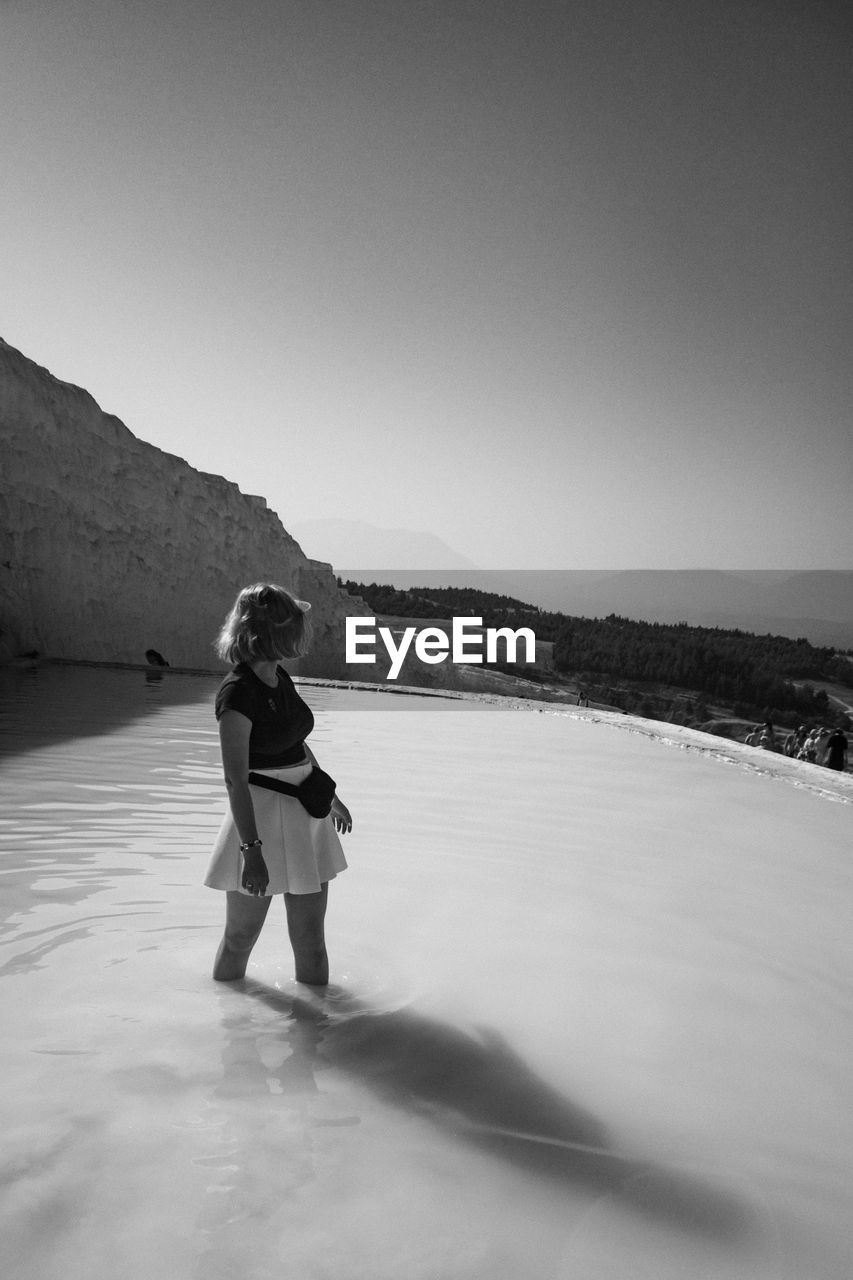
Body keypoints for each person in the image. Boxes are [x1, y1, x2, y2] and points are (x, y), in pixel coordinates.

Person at [204, 583, 352, 985]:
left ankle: (316, 1040)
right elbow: (235, 780)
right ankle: (230, 1036)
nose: (301, 633)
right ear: (270, 633)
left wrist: (330, 796)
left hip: (306, 813)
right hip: (260, 820)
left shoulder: (279, 676)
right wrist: (251, 852)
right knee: (240, 938)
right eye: (294, 625)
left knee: (311, 942)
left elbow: (296, 743)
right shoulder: (236, 694)